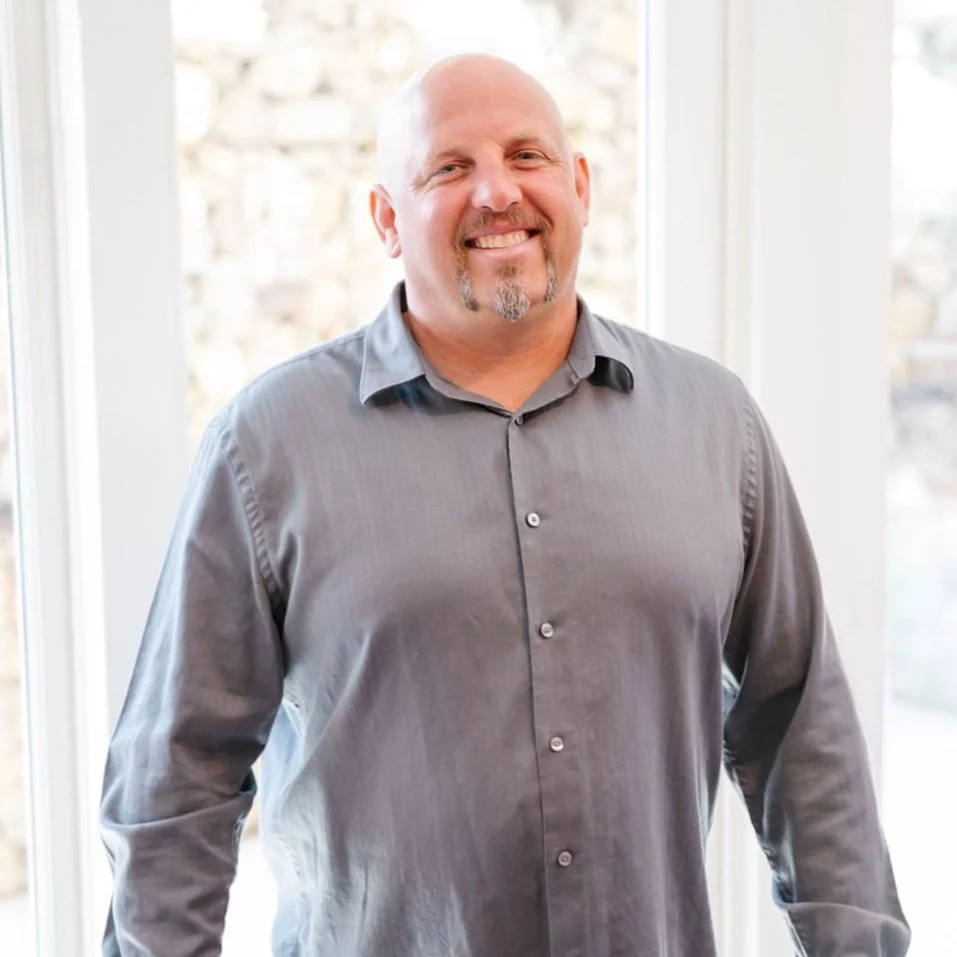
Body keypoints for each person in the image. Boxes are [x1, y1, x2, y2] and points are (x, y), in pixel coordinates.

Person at [100, 53, 910, 957]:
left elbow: (801, 727)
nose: (496, 192)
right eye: (449, 168)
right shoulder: (267, 444)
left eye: (527, 156)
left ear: (580, 187)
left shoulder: (717, 424)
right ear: (386, 219)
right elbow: (175, 775)